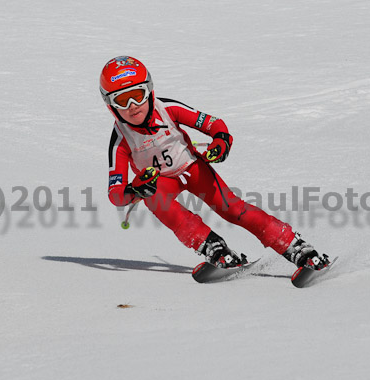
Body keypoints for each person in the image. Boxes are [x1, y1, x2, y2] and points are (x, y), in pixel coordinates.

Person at [100, 56, 327, 271]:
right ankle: (213, 247)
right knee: (156, 199)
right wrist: (134, 190)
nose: (132, 105)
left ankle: (294, 246)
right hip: (161, 183)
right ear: (111, 106)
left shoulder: (167, 109)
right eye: (121, 100)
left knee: (232, 209)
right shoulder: (120, 139)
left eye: (137, 95)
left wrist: (221, 141)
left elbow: (213, 124)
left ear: (150, 91)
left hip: (192, 169)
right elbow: (115, 194)